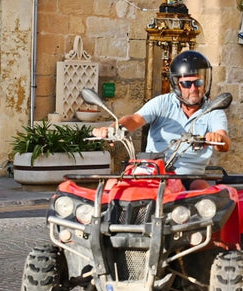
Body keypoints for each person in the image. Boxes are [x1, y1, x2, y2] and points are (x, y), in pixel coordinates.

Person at [92, 50, 230, 189]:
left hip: (188, 176)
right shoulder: (163, 103)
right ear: (178, 85)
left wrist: (218, 139)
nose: (193, 88)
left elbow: (224, 141)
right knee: (111, 185)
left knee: (204, 192)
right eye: (187, 84)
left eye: (198, 82)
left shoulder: (213, 110)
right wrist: (113, 128)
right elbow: (135, 119)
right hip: (152, 170)